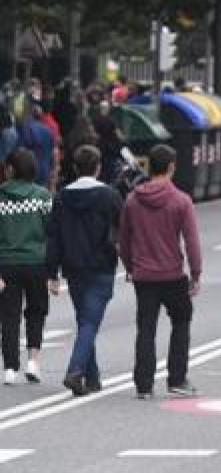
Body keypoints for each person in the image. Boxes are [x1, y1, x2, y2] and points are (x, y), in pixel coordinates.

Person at [118, 144, 203, 399]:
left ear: (149, 167)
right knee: (181, 319)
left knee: (146, 327)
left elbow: (124, 240)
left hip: (143, 275)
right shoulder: (181, 201)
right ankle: (177, 378)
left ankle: (144, 384)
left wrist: (130, 267)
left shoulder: (133, 201)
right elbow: (191, 240)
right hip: (172, 274)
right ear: (171, 167)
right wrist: (196, 273)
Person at [45, 144, 124, 395]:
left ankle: (92, 378)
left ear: (75, 168)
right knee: (90, 321)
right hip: (101, 266)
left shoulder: (61, 197)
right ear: (98, 168)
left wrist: (51, 272)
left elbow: (54, 237)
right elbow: (122, 231)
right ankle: (75, 371)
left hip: (73, 267)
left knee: (85, 320)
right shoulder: (110, 196)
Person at [0, 148, 54, 385]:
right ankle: (33, 361)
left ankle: (10, 368)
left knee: (9, 316)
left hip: (6, 264)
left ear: (10, 169)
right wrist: (53, 270)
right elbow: (52, 232)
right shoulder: (42, 196)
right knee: (36, 311)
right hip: (36, 263)